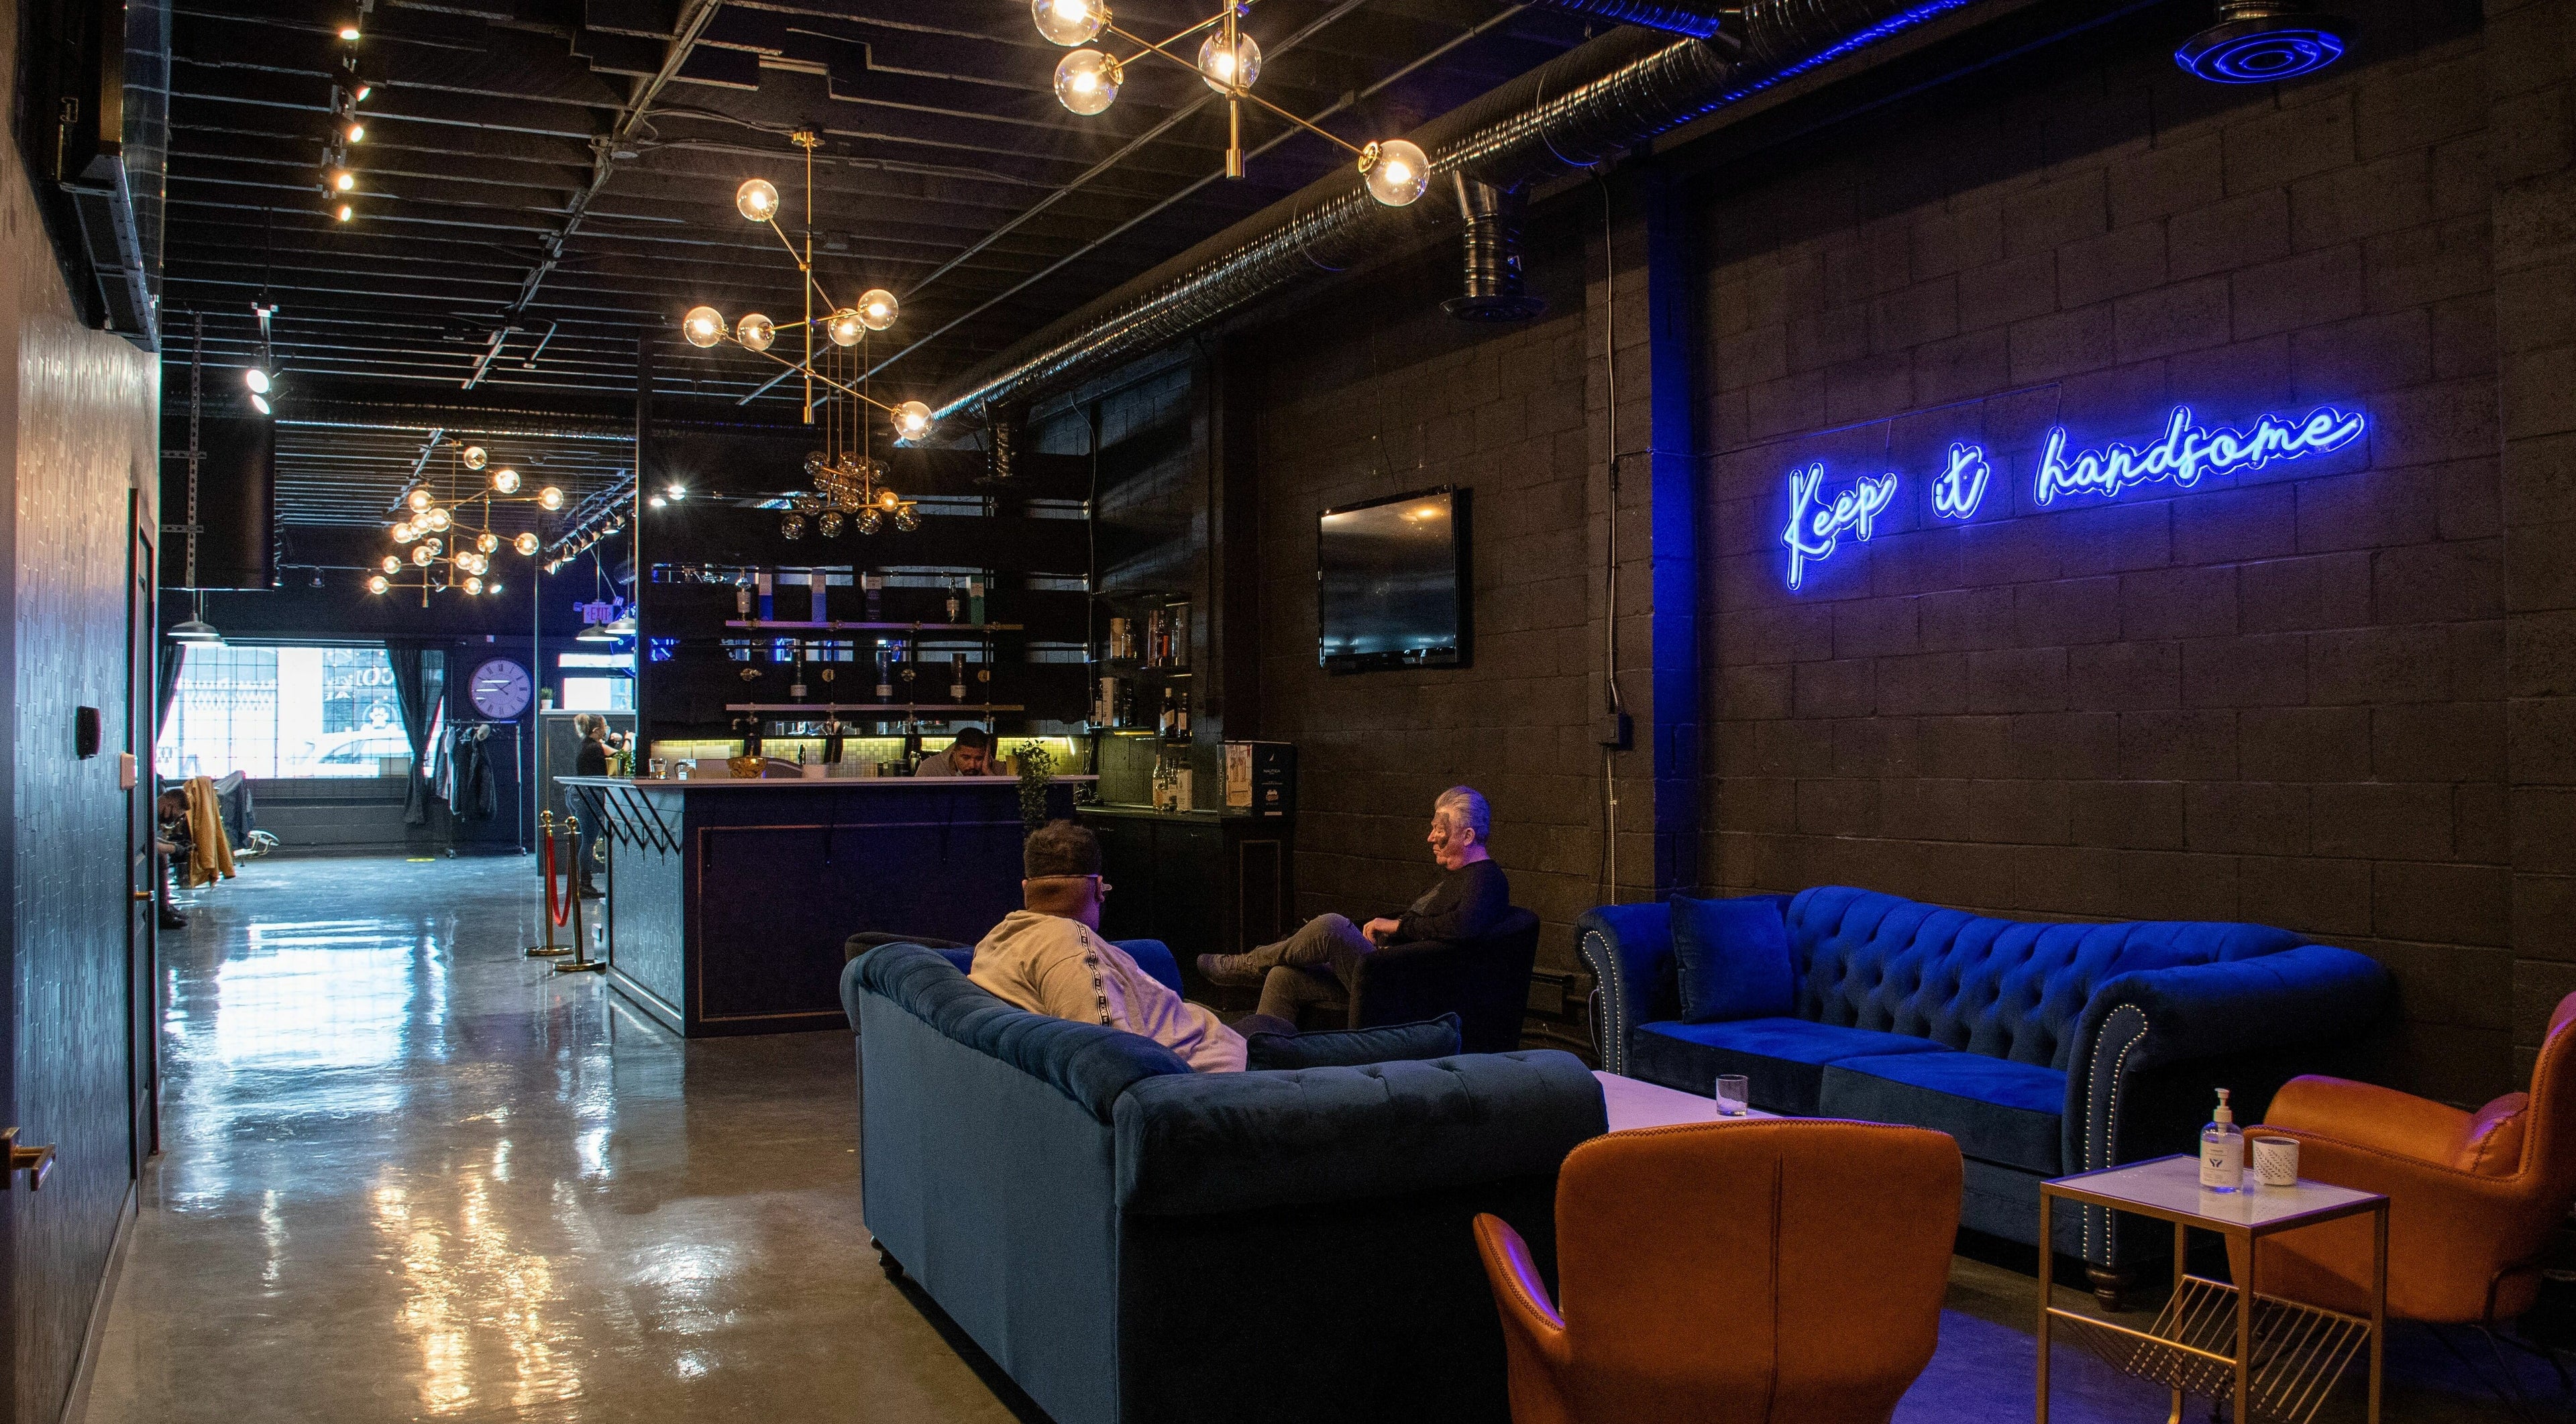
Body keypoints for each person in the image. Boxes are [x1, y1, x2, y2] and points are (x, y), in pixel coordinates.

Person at [970, 820, 1268, 1072]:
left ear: (1026, 889)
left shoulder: (994, 942)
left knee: (1271, 1017)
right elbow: (1109, 1057)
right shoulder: (1069, 948)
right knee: (1280, 1033)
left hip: (1208, 1041)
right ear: (1099, 888)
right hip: (1227, 1068)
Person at [1198, 786, 1508, 1024]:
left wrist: (1399, 926)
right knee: (1284, 976)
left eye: (1439, 829)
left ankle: (1249, 965)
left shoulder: (1487, 880)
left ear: (1467, 836)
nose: (1430, 837)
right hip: (1389, 968)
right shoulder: (1457, 877)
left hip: (1407, 988)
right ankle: (1265, 1069)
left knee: (1331, 926)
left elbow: (1463, 927)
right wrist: (1383, 928)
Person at [572, 714, 609, 898]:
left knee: (585, 840)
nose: (607, 729)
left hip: (578, 794)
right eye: (605, 726)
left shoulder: (584, 744)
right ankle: (585, 885)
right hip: (590, 795)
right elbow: (620, 754)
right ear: (596, 730)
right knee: (589, 841)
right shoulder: (596, 747)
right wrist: (627, 739)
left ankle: (584, 882)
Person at [914, 726, 994, 777]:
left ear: (986, 754)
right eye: (966, 758)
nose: (972, 765)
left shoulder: (997, 769)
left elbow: (1005, 801)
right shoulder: (930, 768)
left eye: (979, 759)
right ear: (954, 754)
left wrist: (988, 772)